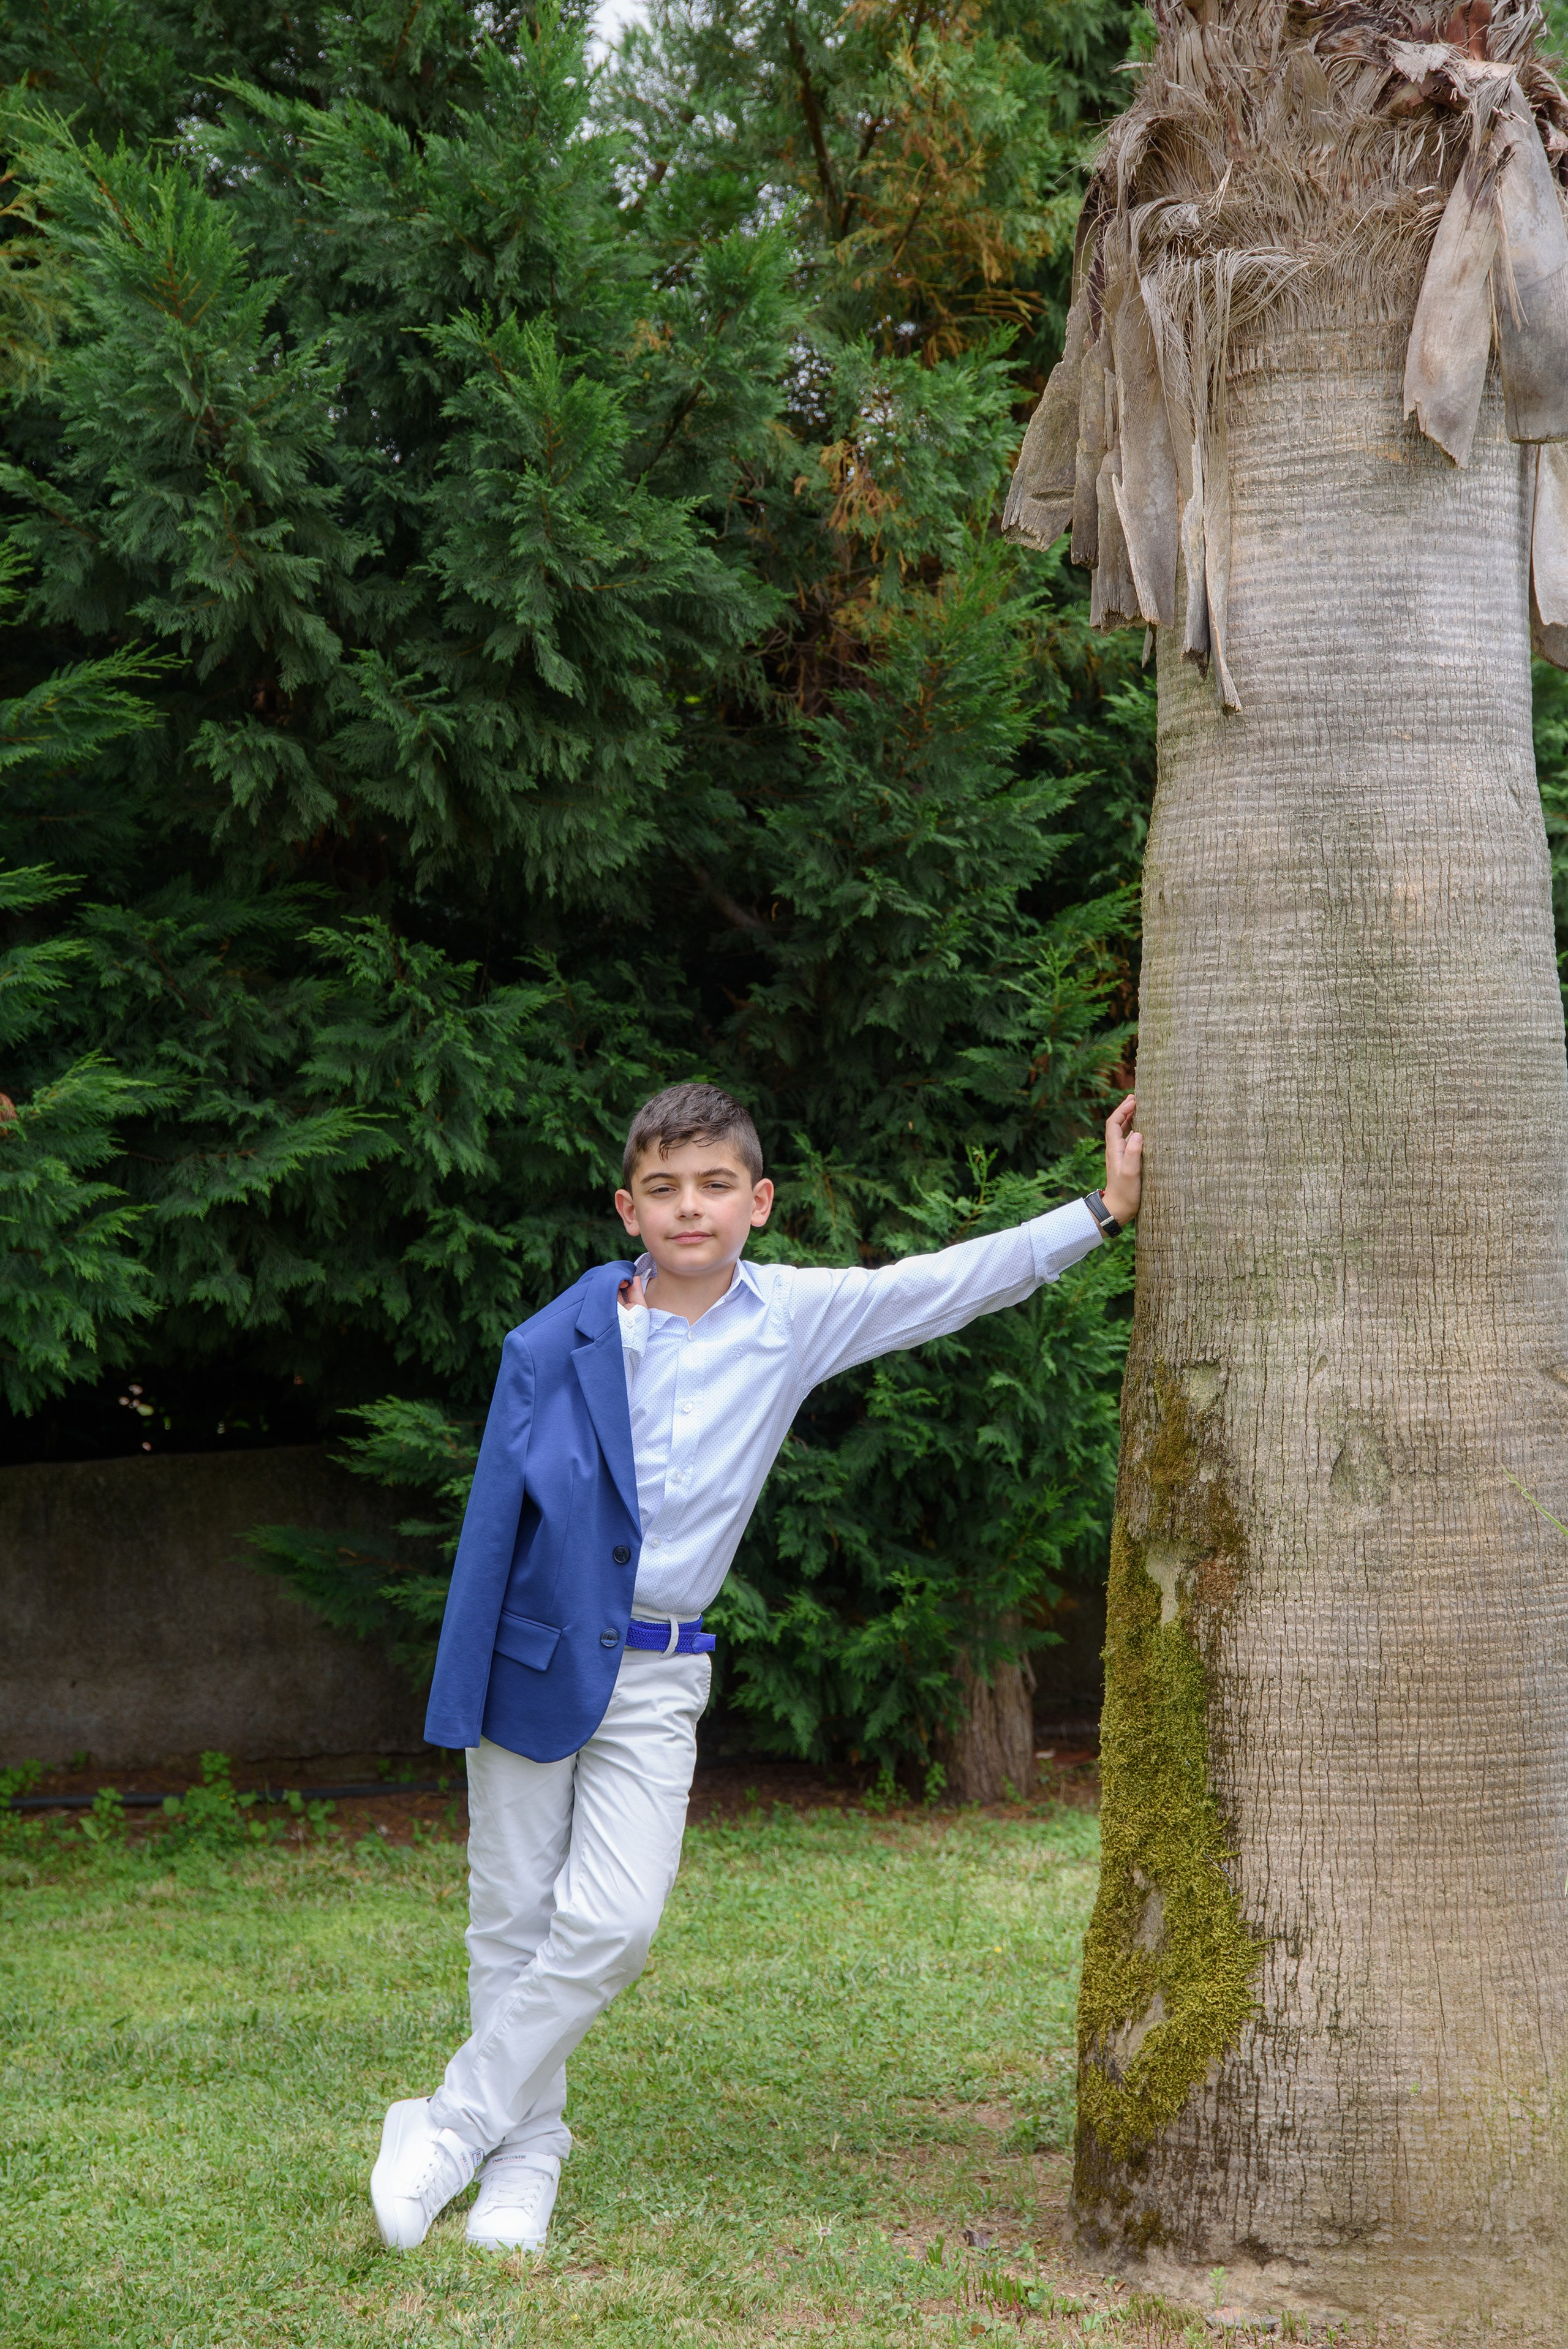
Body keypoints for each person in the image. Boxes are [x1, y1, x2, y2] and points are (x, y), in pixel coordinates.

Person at [370, 1082, 1143, 2253]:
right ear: (627, 1209)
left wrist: (1100, 1211)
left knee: (614, 1925)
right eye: (665, 1189)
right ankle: (522, 2165)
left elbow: (937, 1287)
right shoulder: (557, 1339)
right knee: (515, 1921)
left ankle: (451, 2121)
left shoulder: (795, 1320)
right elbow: (492, 1533)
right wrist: (460, 1686)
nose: (692, 1208)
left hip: (661, 1669)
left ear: (760, 1202)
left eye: (716, 1185)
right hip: (534, 1659)